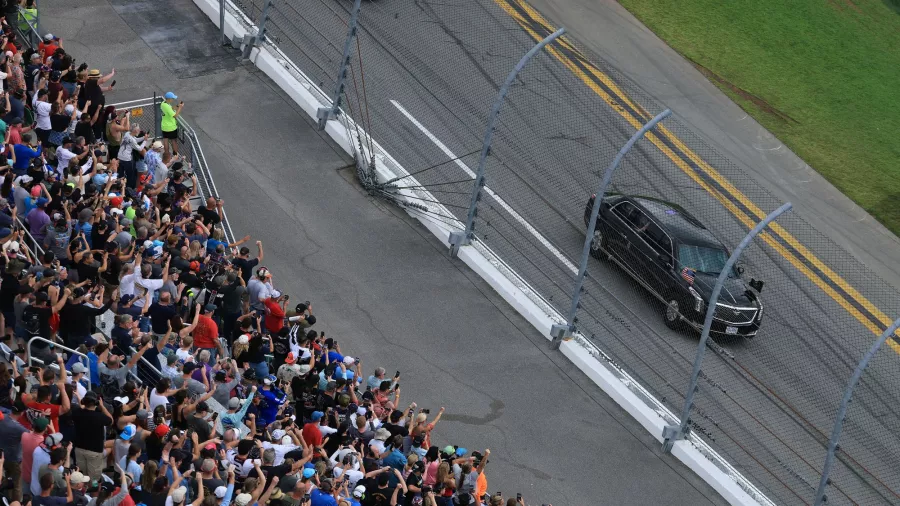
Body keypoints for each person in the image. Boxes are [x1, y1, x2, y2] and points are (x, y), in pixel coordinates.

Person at [160, 92, 183, 156]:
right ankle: (175, 155)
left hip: (164, 126)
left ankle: (166, 154)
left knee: (165, 140)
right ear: (169, 99)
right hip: (171, 127)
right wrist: (180, 108)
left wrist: (177, 106)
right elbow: (175, 115)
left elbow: (171, 109)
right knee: (174, 141)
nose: (173, 100)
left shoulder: (163, 104)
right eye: (172, 98)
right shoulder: (167, 106)